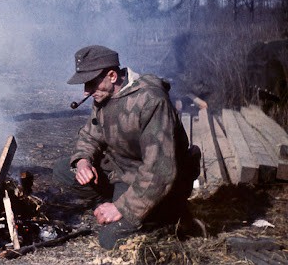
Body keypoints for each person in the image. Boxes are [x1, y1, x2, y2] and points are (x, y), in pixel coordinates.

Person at [53, 45, 202, 249]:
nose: (86, 91)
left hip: (156, 182)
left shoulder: (151, 100)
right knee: (63, 170)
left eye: (90, 83)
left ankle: (167, 218)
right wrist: (83, 162)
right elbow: (91, 135)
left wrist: (121, 207)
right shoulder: (104, 94)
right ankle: (121, 199)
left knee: (110, 239)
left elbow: (160, 171)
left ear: (112, 76)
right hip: (122, 172)